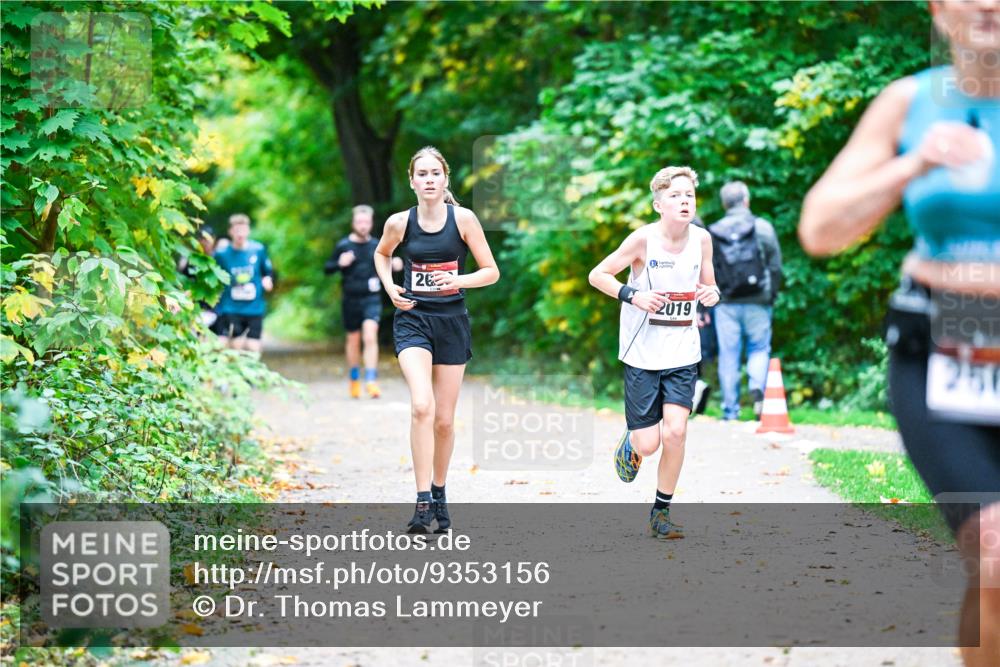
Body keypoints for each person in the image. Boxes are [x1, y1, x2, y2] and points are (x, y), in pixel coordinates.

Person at [799, 1, 998, 663]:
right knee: (994, 548)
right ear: (940, 10)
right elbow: (821, 230)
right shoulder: (908, 101)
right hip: (938, 348)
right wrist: (914, 164)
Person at [588, 166, 720, 539]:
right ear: (658, 204)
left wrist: (713, 294)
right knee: (649, 442)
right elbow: (598, 275)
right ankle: (631, 441)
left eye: (689, 195)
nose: (684, 201)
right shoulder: (642, 241)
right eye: (676, 196)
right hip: (642, 355)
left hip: (682, 353)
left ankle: (661, 511)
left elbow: (708, 286)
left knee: (676, 432)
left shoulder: (702, 240)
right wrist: (634, 295)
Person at [374, 146, 500, 534]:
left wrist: (458, 280)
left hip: (451, 323)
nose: (429, 180)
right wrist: (389, 285)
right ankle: (422, 499)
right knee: (421, 406)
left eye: (435, 173)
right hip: (413, 321)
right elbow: (381, 254)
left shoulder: (463, 219)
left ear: (445, 179)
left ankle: (440, 489)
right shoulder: (399, 222)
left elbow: (491, 271)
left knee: (444, 421)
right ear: (411, 181)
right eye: (422, 174)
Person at [708, 181, 783, 421]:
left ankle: (730, 411)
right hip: (758, 300)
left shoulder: (713, 231)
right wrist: (770, 296)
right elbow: (775, 265)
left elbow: (708, 269)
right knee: (759, 348)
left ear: (724, 204)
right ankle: (758, 388)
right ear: (746, 201)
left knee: (728, 354)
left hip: (726, 302)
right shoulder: (762, 227)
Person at [324, 205, 403, 399]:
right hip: (350, 299)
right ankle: (354, 379)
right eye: (359, 222)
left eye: (366, 222)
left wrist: (396, 264)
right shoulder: (344, 246)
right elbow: (327, 268)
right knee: (353, 340)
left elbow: (388, 262)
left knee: (370, 335)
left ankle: (371, 380)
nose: (363, 225)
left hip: (371, 298)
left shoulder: (377, 245)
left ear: (371, 223)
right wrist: (339, 263)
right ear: (353, 223)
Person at [213, 213, 274, 354]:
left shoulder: (258, 250)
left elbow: (267, 272)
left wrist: (267, 280)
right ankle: (237, 375)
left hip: (255, 307)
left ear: (248, 231)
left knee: (253, 347)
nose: (240, 234)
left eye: (243, 230)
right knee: (236, 346)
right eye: (236, 230)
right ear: (230, 232)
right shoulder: (222, 254)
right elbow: (214, 276)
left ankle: (253, 374)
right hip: (231, 307)